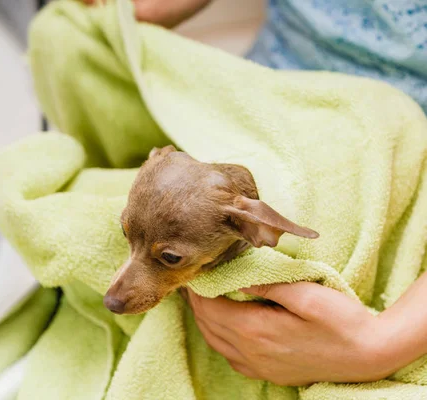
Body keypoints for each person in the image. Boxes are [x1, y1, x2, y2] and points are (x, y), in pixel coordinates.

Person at [78, 0, 427, 385]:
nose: (117, 294)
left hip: (388, 140)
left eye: (170, 258)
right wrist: (123, 16)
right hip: (261, 91)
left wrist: (380, 345)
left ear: (256, 229)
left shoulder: (246, 219)